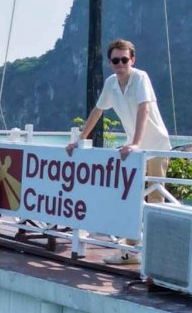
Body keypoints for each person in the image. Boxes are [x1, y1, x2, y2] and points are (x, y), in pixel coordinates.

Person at [65, 38, 172, 259]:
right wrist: (81, 139)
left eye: (124, 59)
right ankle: (132, 249)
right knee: (132, 196)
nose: (120, 64)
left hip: (156, 146)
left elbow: (144, 110)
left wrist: (136, 142)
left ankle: (154, 254)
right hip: (134, 150)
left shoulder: (140, 77)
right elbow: (97, 111)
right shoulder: (112, 83)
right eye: (116, 60)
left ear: (132, 59)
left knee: (155, 198)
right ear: (110, 62)